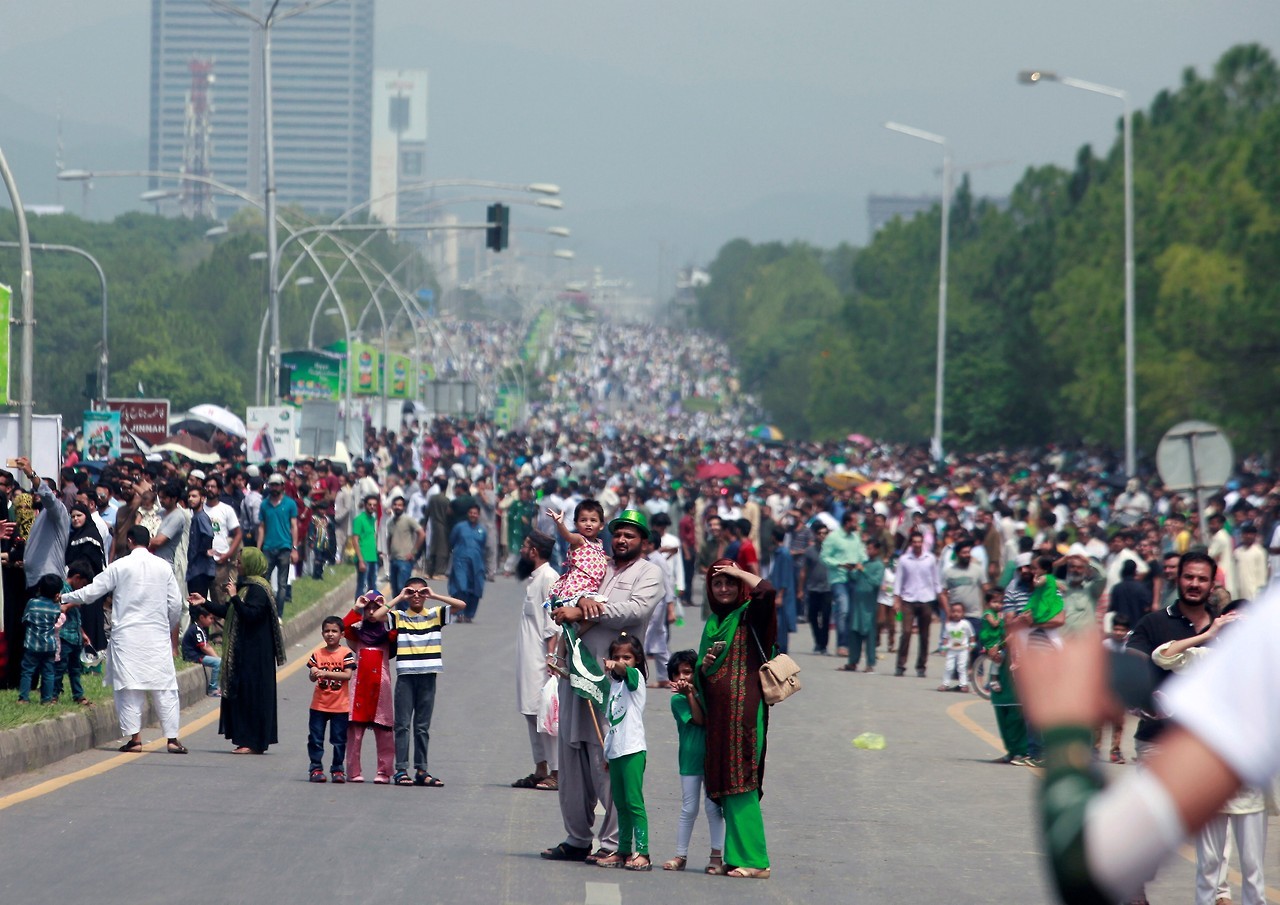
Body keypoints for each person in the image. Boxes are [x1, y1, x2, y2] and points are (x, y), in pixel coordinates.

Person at [1014, 579, 1280, 905]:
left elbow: (1094, 865)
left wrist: (1065, 733)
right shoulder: (1258, 641)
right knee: (1216, 867)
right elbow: (1163, 655)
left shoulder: (1266, 639)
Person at [540, 507, 663, 865]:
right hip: (576, 672)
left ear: (643, 541)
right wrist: (571, 605)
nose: (622, 539)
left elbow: (636, 611)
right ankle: (577, 837)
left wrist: (587, 611)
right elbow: (569, 594)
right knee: (571, 754)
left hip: (614, 683)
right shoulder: (597, 563)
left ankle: (612, 841)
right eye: (619, 533)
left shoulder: (650, 572)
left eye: (631, 535)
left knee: (606, 757)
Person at [60, 525, 188, 754]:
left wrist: (65, 596)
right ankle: (172, 739)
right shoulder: (163, 567)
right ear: (148, 542)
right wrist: (167, 627)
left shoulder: (119, 566)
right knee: (165, 686)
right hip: (156, 635)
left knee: (128, 687)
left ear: (129, 541)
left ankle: (135, 739)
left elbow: (91, 592)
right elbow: (176, 604)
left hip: (126, 637)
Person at [696, 560, 776, 879]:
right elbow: (704, 672)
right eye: (717, 584)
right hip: (719, 716)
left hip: (744, 713)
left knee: (742, 781)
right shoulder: (715, 622)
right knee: (728, 784)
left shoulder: (749, 615)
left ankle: (756, 860)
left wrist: (739, 571)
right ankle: (736, 855)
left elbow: (767, 592)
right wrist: (705, 667)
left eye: (730, 582)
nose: (724, 588)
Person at [367, 577, 467, 786]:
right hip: (406, 676)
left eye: (421, 592)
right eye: (412, 592)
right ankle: (401, 770)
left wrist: (434, 595)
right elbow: (376, 616)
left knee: (422, 726)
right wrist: (399, 597)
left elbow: (461, 605)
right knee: (402, 725)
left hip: (428, 675)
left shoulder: (435, 615)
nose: (416, 596)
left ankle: (422, 769)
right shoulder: (400, 617)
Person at [188, 547, 286, 754]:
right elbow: (230, 612)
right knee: (242, 695)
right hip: (244, 652)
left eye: (240, 562)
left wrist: (234, 597)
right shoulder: (246, 587)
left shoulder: (259, 588)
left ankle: (251, 741)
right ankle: (245, 739)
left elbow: (251, 615)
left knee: (252, 696)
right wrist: (205, 602)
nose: (237, 565)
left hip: (255, 655)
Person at [661, 649, 726, 875]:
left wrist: (694, 692)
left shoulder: (705, 694)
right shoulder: (678, 700)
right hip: (689, 759)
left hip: (711, 758)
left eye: (688, 673)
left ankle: (716, 856)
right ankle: (681, 855)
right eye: (678, 674)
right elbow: (698, 720)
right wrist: (690, 694)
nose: (683, 678)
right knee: (689, 808)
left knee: (713, 808)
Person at [597, 632, 651, 871]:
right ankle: (623, 851)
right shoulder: (615, 688)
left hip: (632, 751)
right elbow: (613, 726)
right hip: (617, 752)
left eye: (627, 657)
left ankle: (643, 852)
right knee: (620, 803)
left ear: (637, 660)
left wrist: (616, 665)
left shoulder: (635, 679)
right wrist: (607, 754)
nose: (622, 660)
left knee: (634, 802)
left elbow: (624, 670)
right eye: (618, 656)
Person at [512, 531, 560, 791]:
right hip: (528, 661)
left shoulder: (549, 578)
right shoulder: (535, 579)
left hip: (541, 662)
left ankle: (556, 771)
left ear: (534, 552)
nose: (521, 550)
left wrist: (551, 658)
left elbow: (552, 623)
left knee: (545, 716)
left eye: (524, 546)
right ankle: (540, 768)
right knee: (531, 714)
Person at [342, 592, 396, 783]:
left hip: (381, 686)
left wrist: (388, 606)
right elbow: (343, 628)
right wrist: (357, 607)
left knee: (384, 730)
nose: (372, 612)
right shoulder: (356, 630)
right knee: (355, 730)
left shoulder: (388, 632)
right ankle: (353, 770)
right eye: (369, 608)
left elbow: (396, 627)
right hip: (360, 686)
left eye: (376, 608)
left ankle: (384, 771)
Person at [306, 616, 356, 784]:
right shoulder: (317, 654)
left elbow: (347, 675)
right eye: (327, 631)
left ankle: (337, 769)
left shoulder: (346, 654)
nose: (330, 634)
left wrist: (325, 673)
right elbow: (313, 678)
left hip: (340, 707)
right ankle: (315, 768)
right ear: (322, 634)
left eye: (334, 631)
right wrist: (313, 673)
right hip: (319, 705)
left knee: (339, 740)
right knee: (315, 738)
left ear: (342, 634)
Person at [893, 530, 946, 678]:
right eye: (914, 542)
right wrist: (896, 599)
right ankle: (900, 665)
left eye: (919, 542)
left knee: (924, 635)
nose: (917, 544)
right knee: (906, 632)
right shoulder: (904, 559)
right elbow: (898, 580)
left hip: (926, 599)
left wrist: (940, 598)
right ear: (911, 543)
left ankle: (921, 666)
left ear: (922, 543)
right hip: (908, 599)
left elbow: (936, 580)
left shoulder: (930, 559)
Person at [545, 499, 609, 610]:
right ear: (576, 524)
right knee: (598, 608)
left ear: (601, 525)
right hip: (577, 588)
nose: (588, 524)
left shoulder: (599, 544)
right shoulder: (580, 540)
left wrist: (613, 560)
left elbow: (600, 557)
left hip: (591, 588)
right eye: (583, 520)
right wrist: (560, 524)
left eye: (593, 520)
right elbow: (568, 536)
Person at [841, 537, 885, 673]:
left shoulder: (879, 566)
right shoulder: (864, 563)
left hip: (869, 606)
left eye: (870, 548)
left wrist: (863, 571)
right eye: (867, 548)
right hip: (858, 604)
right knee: (854, 633)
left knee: (869, 635)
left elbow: (876, 582)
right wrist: (850, 569)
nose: (868, 551)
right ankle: (852, 662)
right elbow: (854, 578)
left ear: (877, 550)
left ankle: (870, 663)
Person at [257, 474, 299, 615]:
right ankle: (265, 610)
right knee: (263, 581)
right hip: (268, 547)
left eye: (277, 485)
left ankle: (278, 613)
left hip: (284, 547)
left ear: (282, 486)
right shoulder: (264, 504)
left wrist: (294, 548)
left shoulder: (290, 504)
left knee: (282, 584)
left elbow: (294, 526)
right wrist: (258, 548)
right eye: (272, 485)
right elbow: (261, 527)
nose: (274, 488)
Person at [18, 574, 62, 704]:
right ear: (56, 593)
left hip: (32, 644)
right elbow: (55, 620)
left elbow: (25, 619)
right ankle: (47, 699)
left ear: (40, 588)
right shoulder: (55, 607)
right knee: (48, 673)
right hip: (49, 645)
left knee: (27, 671)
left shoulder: (32, 603)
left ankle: (24, 698)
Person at [1097, 614, 1129, 763]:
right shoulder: (1106, 644)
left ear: (1127, 631)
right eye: (1116, 629)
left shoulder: (1130, 645)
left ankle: (1115, 750)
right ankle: (1095, 748)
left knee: (1119, 723)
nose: (1118, 632)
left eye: (1122, 630)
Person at [448, 503, 488, 623]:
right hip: (460, 561)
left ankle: (469, 614)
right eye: (471, 513)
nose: (473, 515)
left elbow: (483, 546)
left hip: (476, 563)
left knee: (476, 589)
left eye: (475, 513)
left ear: (478, 515)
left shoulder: (482, 530)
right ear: (467, 514)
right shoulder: (459, 527)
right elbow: (452, 541)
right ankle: (459, 612)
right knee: (462, 587)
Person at [799, 523, 832, 654]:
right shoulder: (809, 551)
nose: (822, 536)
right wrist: (800, 589)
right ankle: (818, 642)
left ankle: (823, 644)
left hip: (827, 588)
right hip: (813, 588)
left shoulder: (831, 550)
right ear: (815, 535)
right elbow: (803, 571)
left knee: (826, 617)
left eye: (825, 533)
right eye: (820, 533)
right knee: (812, 616)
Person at [385, 493, 425, 596]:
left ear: (404, 507)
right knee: (395, 591)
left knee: (403, 589)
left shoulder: (408, 520)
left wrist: (414, 552)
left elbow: (421, 534)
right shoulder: (390, 522)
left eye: (400, 505)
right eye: (395, 505)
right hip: (394, 559)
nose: (397, 507)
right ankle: (398, 612)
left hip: (405, 560)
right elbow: (389, 538)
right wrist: (389, 553)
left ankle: (405, 611)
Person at [181, 603, 222, 697]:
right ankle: (213, 689)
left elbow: (207, 645)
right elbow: (204, 647)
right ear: (202, 617)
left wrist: (216, 657)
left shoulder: (200, 629)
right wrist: (217, 659)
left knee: (219, 661)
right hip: (193, 656)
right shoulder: (196, 630)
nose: (212, 621)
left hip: (198, 655)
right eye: (210, 618)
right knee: (218, 663)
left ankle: (217, 686)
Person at [767, 527, 796, 655]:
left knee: (781, 627)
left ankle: (781, 654)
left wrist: (780, 595)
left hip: (782, 595)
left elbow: (785, 576)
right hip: (776, 593)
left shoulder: (784, 554)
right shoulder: (778, 552)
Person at [938, 601, 975, 692]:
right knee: (949, 667)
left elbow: (971, 635)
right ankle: (945, 683)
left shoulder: (965, 624)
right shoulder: (948, 625)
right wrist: (943, 648)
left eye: (959, 612)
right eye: (953, 611)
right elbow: (945, 638)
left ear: (963, 613)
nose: (956, 614)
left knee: (962, 667)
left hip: (963, 650)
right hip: (951, 650)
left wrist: (972, 645)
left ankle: (964, 684)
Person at [351, 494, 381, 600]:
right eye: (369, 504)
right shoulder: (359, 519)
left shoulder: (373, 519)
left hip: (373, 557)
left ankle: (372, 611)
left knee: (373, 586)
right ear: (365, 505)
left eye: (374, 505)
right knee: (362, 586)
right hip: (363, 557)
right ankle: (358, 613)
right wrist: (360, 560)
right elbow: (355, 539)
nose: (372, 507)